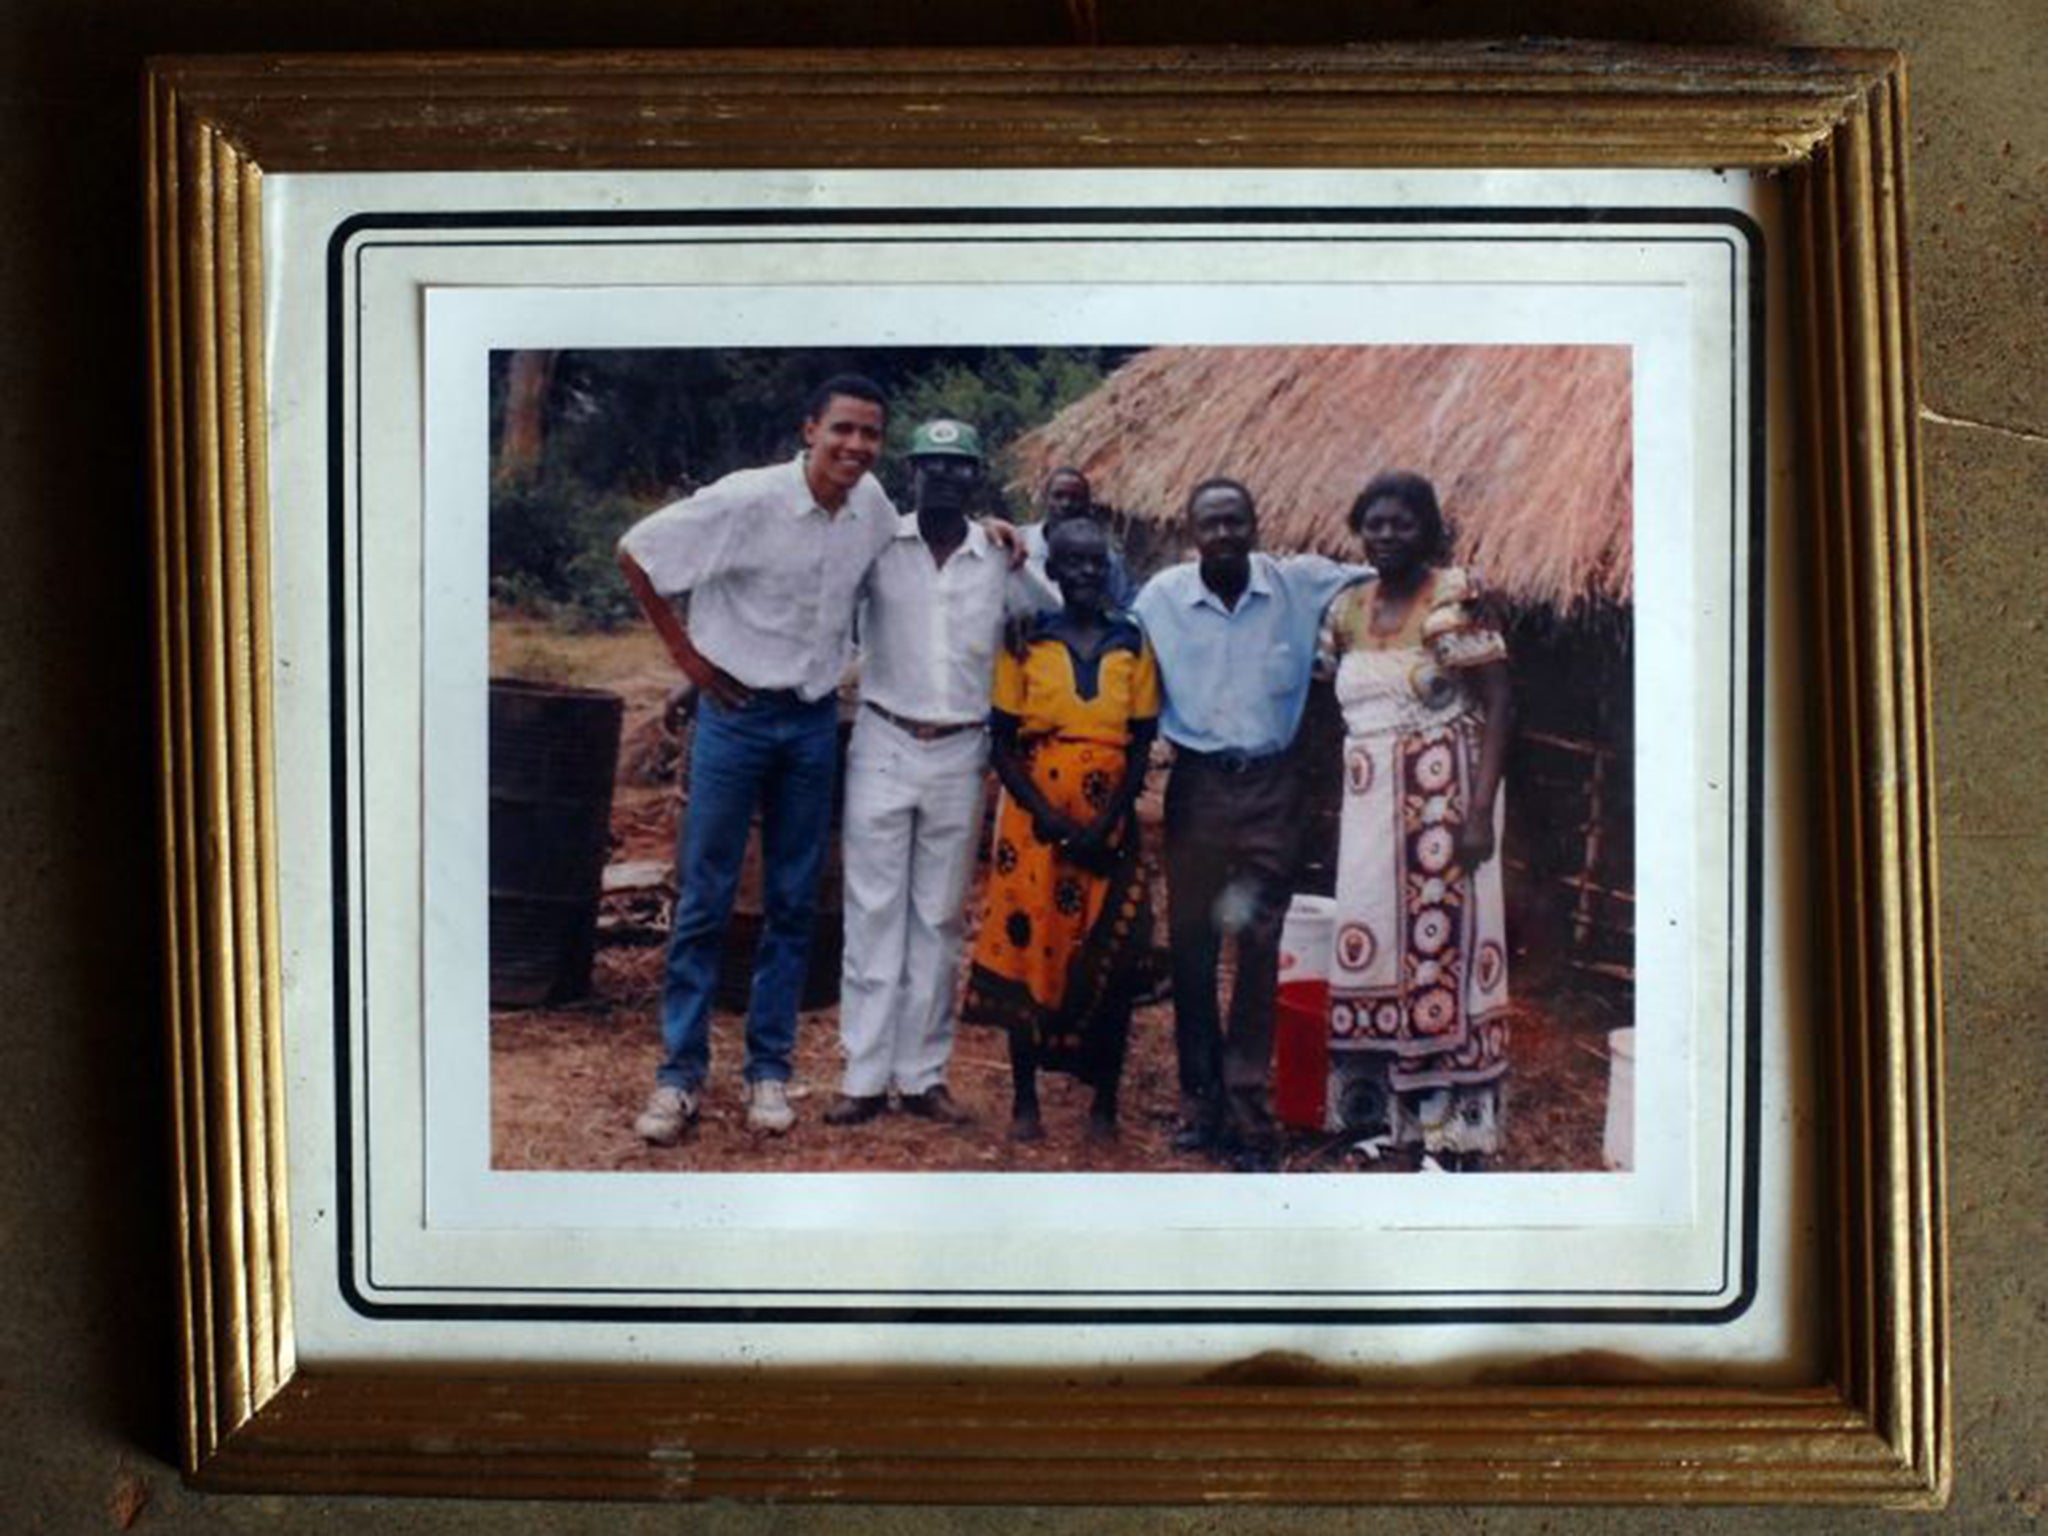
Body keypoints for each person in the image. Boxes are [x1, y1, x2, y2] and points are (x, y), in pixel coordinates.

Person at [616, 375, 899, 1142]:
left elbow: (918, 550)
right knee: (706, 898)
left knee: (793, 902)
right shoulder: (746, 500)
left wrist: (1008, 533)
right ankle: (679, 1079)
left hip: (810, 723)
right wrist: (689, 660)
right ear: (810, 429)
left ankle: (769, 1073)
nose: (856, 446)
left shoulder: (871, 507)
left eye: (871, 434)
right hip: (735, 720)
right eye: (842, 429)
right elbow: (638, 552)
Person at [1131, 477, 1366, 1170]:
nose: (1226, 534)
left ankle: (1247, 1109)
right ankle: (1201, 1103)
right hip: (1199, 788)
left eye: (1237, 521)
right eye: (1212, 524)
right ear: (1191, 531)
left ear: (1257, 523)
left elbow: (1386, 568)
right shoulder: (1161, 599)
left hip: (1272, 789)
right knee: (1195, 948)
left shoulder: (1298, 584)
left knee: (1261, 950)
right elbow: (1101, 628)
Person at [828, 418, 1046, 1128]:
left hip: (961, 750)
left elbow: (1051, 616)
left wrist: (1012, 542)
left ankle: (922, 1075)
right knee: (874, 910)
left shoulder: (999, 558)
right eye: (932, 467)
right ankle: (863, 1077)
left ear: (977, 478)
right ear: (911, 474)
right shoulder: (878, 546)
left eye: (959, 468)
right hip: (885, 741)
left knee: (939, 917)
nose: (945, 478)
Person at [1320, 470, 1513, 1169]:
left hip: (1442, 802)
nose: (1386, 535)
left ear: (1427, 530)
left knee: (1441, 957)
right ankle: (1382, 1123)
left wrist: (1480, 810)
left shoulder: (1455, 600)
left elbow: (1498, 702)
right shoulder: (1346, 608)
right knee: (1371, 950)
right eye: (1374, 523)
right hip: (1370, 810)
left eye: (1401, 523)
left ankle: (1450, 1136)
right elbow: (1329, 702)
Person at [963, 518, 1159, 1144]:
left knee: (1114, 952)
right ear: (1052, 569)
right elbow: (1000, 740)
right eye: (1070, 563)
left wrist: (1106, 820)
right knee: (1031, 947)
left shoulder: (1131, 641)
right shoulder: (1023, 640)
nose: (1083, 574)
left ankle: (1104, 1102)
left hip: (1110, 824)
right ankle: (1025, 1100)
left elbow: (1141, 742)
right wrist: (1048, 817)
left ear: (1108, 570)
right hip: (1033, 827)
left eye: (1095, 563)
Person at [1019, 467, 1136, 610]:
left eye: (1075, 498)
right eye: (1058, 496)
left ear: (1087, 504)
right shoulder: (1019, 544)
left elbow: (1129, 609)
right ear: (1045, 498)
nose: (1066, 504)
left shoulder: (1105, 558)